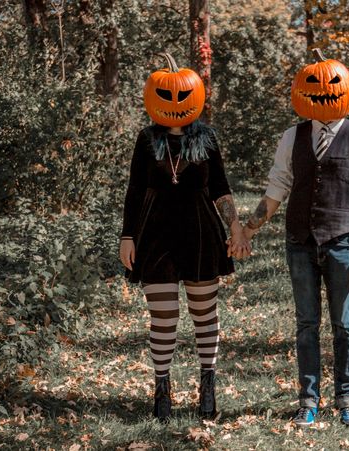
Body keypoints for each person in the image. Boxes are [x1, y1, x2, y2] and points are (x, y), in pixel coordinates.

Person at [242, 49, 349, 428]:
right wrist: (248, 227)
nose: (323, 92)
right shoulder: (293, 137)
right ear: (302, 93)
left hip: (342, 243)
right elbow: (277, 188)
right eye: (313, 86)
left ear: (344, 89)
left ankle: (347, 399)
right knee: (307, 325)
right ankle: (308, 400)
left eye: (331, 85)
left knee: (345, 325)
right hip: (300, 244)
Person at [119, 53, 250, 422]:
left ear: (195, 97)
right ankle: (162, 390)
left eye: (182, 96)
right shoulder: (146, 140)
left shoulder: (206, 137)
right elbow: (133, 190)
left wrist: (235, 226)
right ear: (154, 97)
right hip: (156, 236)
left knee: (203, 314)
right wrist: (127, 236)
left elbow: (221, 188)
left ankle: (207, 386)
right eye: (167, 95)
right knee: (163, 318)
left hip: (201, 233)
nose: (175, 103)